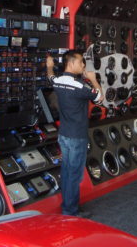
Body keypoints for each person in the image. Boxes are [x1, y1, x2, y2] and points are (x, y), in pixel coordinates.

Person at [46, 50, 103, 218]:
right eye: (80, 62)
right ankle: (70, 211)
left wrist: (49, 66)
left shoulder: (58, 81)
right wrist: (93, 79)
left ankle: (68, 205)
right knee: (74, 174)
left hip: (64, 134)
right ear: (71, 63)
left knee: (66, 171)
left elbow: (50, 77)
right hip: (77, 136)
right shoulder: (80, 86)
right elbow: (99, 98)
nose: (83, 65)